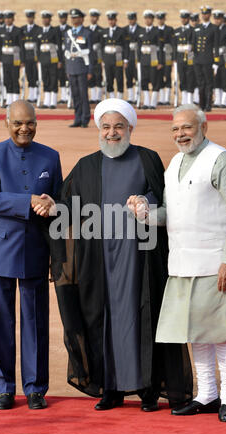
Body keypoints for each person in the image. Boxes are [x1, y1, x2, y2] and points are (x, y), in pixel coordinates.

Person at [33, 98, 193, 412]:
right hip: (99, 261)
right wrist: (54, 208)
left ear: (130, 127)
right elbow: (70, 207)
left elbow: (164, 201)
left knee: (142, 319)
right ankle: (111, 388)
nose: (112, 133)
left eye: (119, 126)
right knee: (101, 323)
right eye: (106, 126)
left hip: (140, 260)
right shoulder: (87, 165)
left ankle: (148, 389)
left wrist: (146, 202)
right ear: (99, 130)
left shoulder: (147, 159)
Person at [127, 104, 226, 422]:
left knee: (220, 332)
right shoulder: (174, 163)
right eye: (175, 129)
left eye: (187, 128)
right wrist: (144, 214)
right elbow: (172, 213)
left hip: (214, 261)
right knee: (196, 331)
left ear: (203, 128)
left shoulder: (220, 159)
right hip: (181, 262)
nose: (181, 134)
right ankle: (207, 394)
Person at [0, 100, 63, 410]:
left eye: (30, 122)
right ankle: (4, 388)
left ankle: (36, 388)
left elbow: (59, 203)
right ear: (7, 122)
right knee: (1, 322)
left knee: (35, 320)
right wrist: (29, 202)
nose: (24, 128)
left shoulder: (50, 157)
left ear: (37, 122)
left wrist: (51, 205)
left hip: (35, 250)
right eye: (18, 123)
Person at [64, 9, 94, 127]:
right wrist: (67, 69)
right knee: (75, 95)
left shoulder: (87, 33)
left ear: (81, 19)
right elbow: (67, 52)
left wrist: (90, 70)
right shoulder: (68, 33)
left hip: (82, 68)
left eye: (76, 18)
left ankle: (85, 119)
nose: (73, 20)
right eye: (72, 18)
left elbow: (91, 53)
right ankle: (77, 118)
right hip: (72, 68)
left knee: (83, 95)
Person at [192, 6, 219, 112]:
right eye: (203, 14)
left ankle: (208, 104)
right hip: (198, 60)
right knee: (200, 82)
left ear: (210, 15)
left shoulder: (214, 28)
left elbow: (216, 45)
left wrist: (216, 61)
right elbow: (193, 45)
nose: (204, 15)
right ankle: (201, 104)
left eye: (206, 14)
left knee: (209, 82)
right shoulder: (197, 28)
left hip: (208, 59)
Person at [36, 11, 62, 109]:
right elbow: (37, 47)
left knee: (53, 78)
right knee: (45, 79)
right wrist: (38, 60)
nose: (45, 20)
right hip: (43, 59)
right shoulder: (39, 31)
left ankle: (53, 102)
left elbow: (59, 46)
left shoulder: (55, 30)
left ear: (50, 19)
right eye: (43, 18)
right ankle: (46, 101)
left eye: (47, 18)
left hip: (53, 58)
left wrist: (60, 60)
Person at [0, 10, 24, 107]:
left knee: (14, 78)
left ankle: (16, 101)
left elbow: (22, 46)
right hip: (5, 59)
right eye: (6, 18)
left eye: (9, 18)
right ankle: (9, 100)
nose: (8, 20)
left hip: (15, 59)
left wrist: (22, 60)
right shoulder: (1, 31)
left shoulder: (18, 30)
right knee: (7, 79)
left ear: (13, 19)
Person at [101, 11, 127, 99]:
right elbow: (102, 47)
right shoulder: (104, 31)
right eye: (109, 20)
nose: (111, 22)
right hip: (107, 59)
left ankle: (119, 98)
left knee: (119, 78)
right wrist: (102, 60)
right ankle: (112, 98)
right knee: (109, 79)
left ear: (116, 20)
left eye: (112, 20)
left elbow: (125, 46)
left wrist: (125, 59)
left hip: (118, 58)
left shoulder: (121, 31)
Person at [212, 10, 226, 109]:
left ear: (222, 19)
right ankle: (217, 100)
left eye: (218, 19)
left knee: (225, 79)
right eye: (215, 19)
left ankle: (224, 101)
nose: (217, 21)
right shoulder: (212, 29)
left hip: (225, 58)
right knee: (216, 80)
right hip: (214, 58)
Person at [174, 10, 195, 105]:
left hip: (190, 57)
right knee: (182, 77)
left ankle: (190, 99)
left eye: (185, 18)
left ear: (188, 19)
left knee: (190, 77)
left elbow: (195, 43)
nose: (183, 20)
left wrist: (191, 47)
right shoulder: (177, 31)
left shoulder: (193, 30)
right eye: (182, 18)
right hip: (180, 58)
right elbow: (174, 46)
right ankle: (184, 99)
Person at [21, 10, 40, 103]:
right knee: (29, 76)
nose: (29, 19)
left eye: (31, 17)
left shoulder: (38, 29)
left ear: (33, 18)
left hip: (34, 57)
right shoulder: (22, 29)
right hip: (26, 57)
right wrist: (22, 59)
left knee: (35, 75)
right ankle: (31, 95)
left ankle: (36, 94)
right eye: (28, 17)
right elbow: (21, 46)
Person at [87, 9, 104, 104]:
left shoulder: (100, 30)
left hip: (97, 57)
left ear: (97, 18)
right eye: (92, 16)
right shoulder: (86, 29)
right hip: (88, 57)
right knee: (91, 77)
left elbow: (102, 45)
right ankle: (93, 97)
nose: (93, 18)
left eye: (95, 17)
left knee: (98, 77)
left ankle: (98, 97)